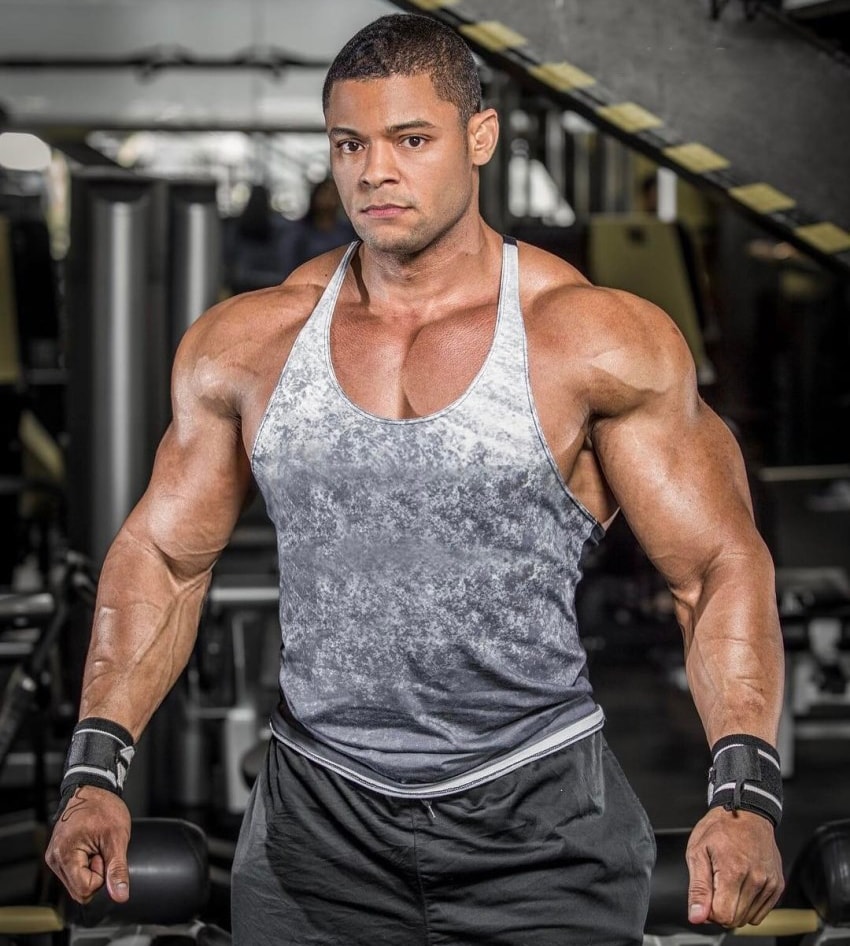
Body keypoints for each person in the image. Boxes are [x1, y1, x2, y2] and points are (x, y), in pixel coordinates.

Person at [46, 13, 785, 945]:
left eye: (410, 139)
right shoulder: (251, 343)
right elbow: (161, 557)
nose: (373, 171)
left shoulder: (592, 340)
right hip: (317, 834)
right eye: (349, 143)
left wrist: (746, 791)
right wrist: (94, 771)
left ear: (479, 138)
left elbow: (716, 566)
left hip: (541, 832)